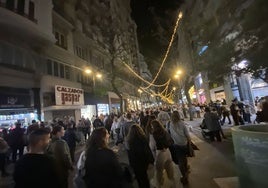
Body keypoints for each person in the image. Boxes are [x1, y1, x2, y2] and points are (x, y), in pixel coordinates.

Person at [151, 120, 175, 187]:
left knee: (159, 172)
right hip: (167, 152)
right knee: (170, 171)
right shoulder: (164, 131)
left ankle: (159, 185)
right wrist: (166, 146)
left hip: (159, 154)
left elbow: (152, 147)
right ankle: (173, 184)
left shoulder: (153, 134)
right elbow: (171, 141)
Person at [169, 111, 191, 185]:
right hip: (184, 143)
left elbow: (167, 133)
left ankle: (184, 175)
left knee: (180, 160)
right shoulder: (182, 123)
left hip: (176, 144)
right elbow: (187, 134)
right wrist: (189, 143)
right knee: (184, 157)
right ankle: (186, 170)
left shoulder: (169, 123)